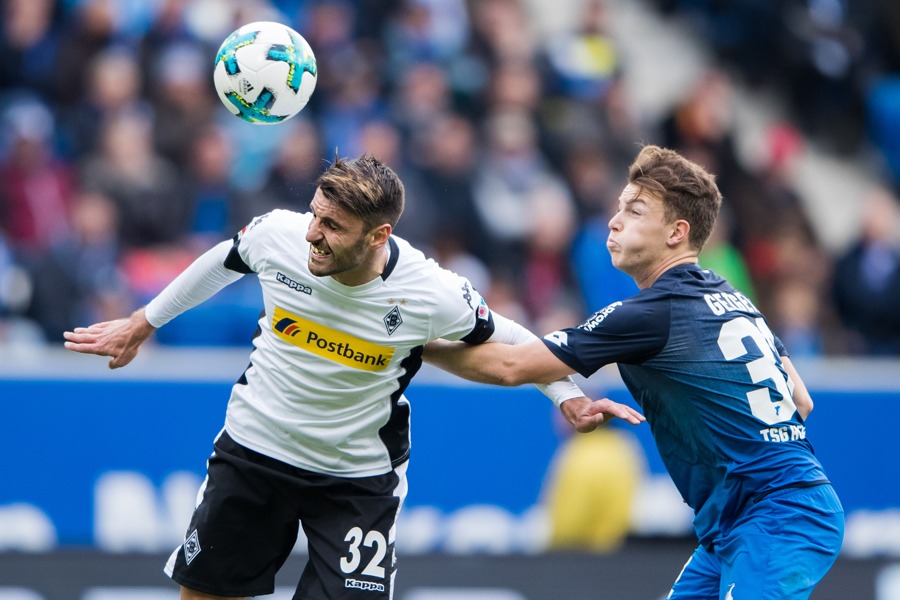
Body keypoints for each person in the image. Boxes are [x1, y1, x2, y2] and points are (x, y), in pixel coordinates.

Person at [62, 154, 642, 600]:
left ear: (378, 236)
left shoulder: (428, 290)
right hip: (254, 448)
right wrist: (144, 322)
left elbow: (510, 335)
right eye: (315, 214)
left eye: (332, 226)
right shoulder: (280, 236)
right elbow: (222, 261)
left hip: (355, 478)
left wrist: (565, 394)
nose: (313, 234)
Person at [425, 145, 844, 599]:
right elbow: (801, 400)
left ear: (676, 233)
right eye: (619, 206)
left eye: (635, 210)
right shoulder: (733, 298)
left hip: (775, 516)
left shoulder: (649, 314)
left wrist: (415, 344)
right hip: (748, 517)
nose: (614, 220)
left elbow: (509, 366)